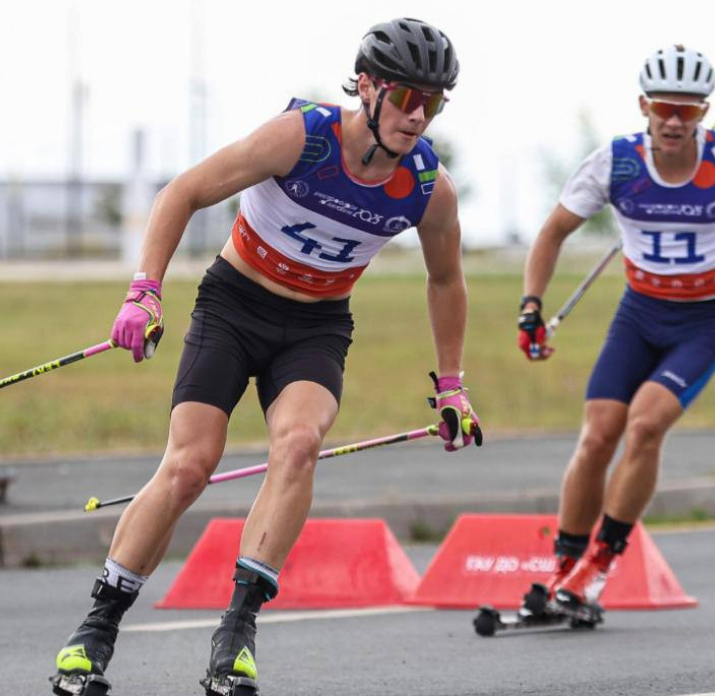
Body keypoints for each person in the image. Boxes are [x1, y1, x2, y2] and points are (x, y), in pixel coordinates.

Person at [49, 18, 481, 696]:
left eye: (435, 101)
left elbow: (446, 279)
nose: (418, 115)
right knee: (191, 464)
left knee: (300, 443)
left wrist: (452, 385)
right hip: (234, 307)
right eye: (404, 96)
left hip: (316, 326)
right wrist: (144, 292)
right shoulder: (302, 136)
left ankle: (237, 635)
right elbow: (183, 193)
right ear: (366, 87)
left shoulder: (429, 188)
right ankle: (97, 627)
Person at [515, 45, 715, 622]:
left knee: (643, 426)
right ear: (644, 106)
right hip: (639, 315)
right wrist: (531, 307)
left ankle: (599, 567)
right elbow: (551, 232)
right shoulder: (614, 163)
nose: (674, 120)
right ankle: (562, 567)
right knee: (597, 435)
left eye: (688, 112)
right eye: (665, 107)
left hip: (705, 320)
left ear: (703, 114)